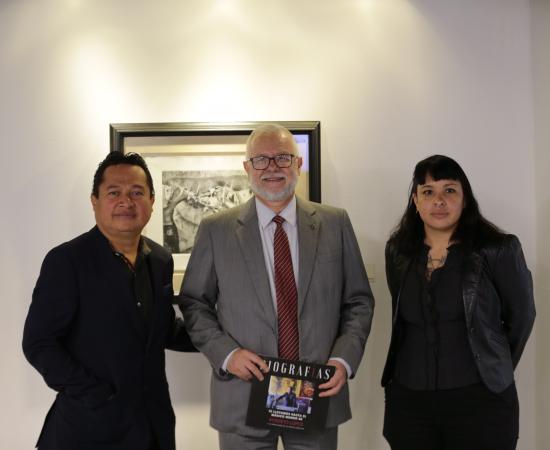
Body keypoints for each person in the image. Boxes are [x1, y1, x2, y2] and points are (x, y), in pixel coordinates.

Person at [180, 124, 374, 450]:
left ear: (298, 164)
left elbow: (358, 301)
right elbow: (194, 303)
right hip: (243, 396)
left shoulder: (335, 223)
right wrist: (227, 354)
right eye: (261, 160)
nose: (272, 167)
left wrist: (343, 360)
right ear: (247, 168)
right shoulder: (216, 230)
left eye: (283, 157)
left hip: (315, 393)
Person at [22, 152, 196, 450]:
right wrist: (95, 394)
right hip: (88, 429)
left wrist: (226, 339)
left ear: (152, 201)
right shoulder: (67, 260)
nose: (126, 202)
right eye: (114, 192)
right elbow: (39, 343)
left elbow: (163, 329)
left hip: (153, 427)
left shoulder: (160, 260)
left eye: (137, 193)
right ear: (95, 201)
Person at [381, 154, 536, 450]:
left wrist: (494, 363)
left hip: (481, 402)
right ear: (415, 201)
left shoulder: (498, 249)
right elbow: (401, 321)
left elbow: (522, 317)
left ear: (465, 199)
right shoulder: (398, 252)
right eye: (428, 192)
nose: (438, 200)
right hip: (409, 404)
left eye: (449, 190)